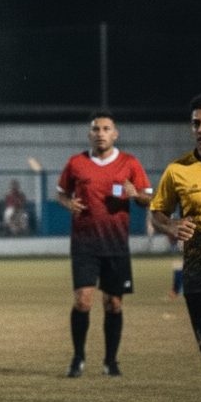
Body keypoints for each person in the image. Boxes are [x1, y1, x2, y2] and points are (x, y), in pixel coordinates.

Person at [57, 111, 152, 377]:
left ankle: (111, 361)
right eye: (96, 129)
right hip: (84, 244)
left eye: (106, 128)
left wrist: (135, 195)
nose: (100, 133)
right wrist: (68, 204)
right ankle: (78, 358)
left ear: (115, 133)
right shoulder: (76, 163)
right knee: (83, 301)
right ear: (90, 134)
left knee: (113, 304)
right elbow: (61, 194)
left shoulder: (129, 163)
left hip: (116, 244)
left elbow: (147, 198)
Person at [149, 94, 201, 373]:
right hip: (198, 275)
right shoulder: (177, 171)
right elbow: (156, 213)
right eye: (197, 123)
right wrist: (171, 225)